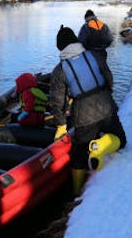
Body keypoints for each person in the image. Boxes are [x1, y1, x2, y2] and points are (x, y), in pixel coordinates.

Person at [50, 25, 127, 195]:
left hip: (83, 115)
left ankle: (77, 192)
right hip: (107, 107)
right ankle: (100, 145)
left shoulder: (60, 70)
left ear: (60, 47)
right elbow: (108, 77)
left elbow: (57, 100)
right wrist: (108, 93)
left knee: (79, 156)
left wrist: (61, 125)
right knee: (120, 139)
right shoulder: (94, 55)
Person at [77, 9, 114, 89]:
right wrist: (104, 46)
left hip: (90, 52)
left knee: (91, 71)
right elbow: (110, 39)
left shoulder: (86, 27)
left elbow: (81, 41)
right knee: (104, 68)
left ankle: (93, 88)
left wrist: (85, 49)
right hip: (102, 51)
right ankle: (109, 87)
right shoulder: (104, 25)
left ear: (86, 18)